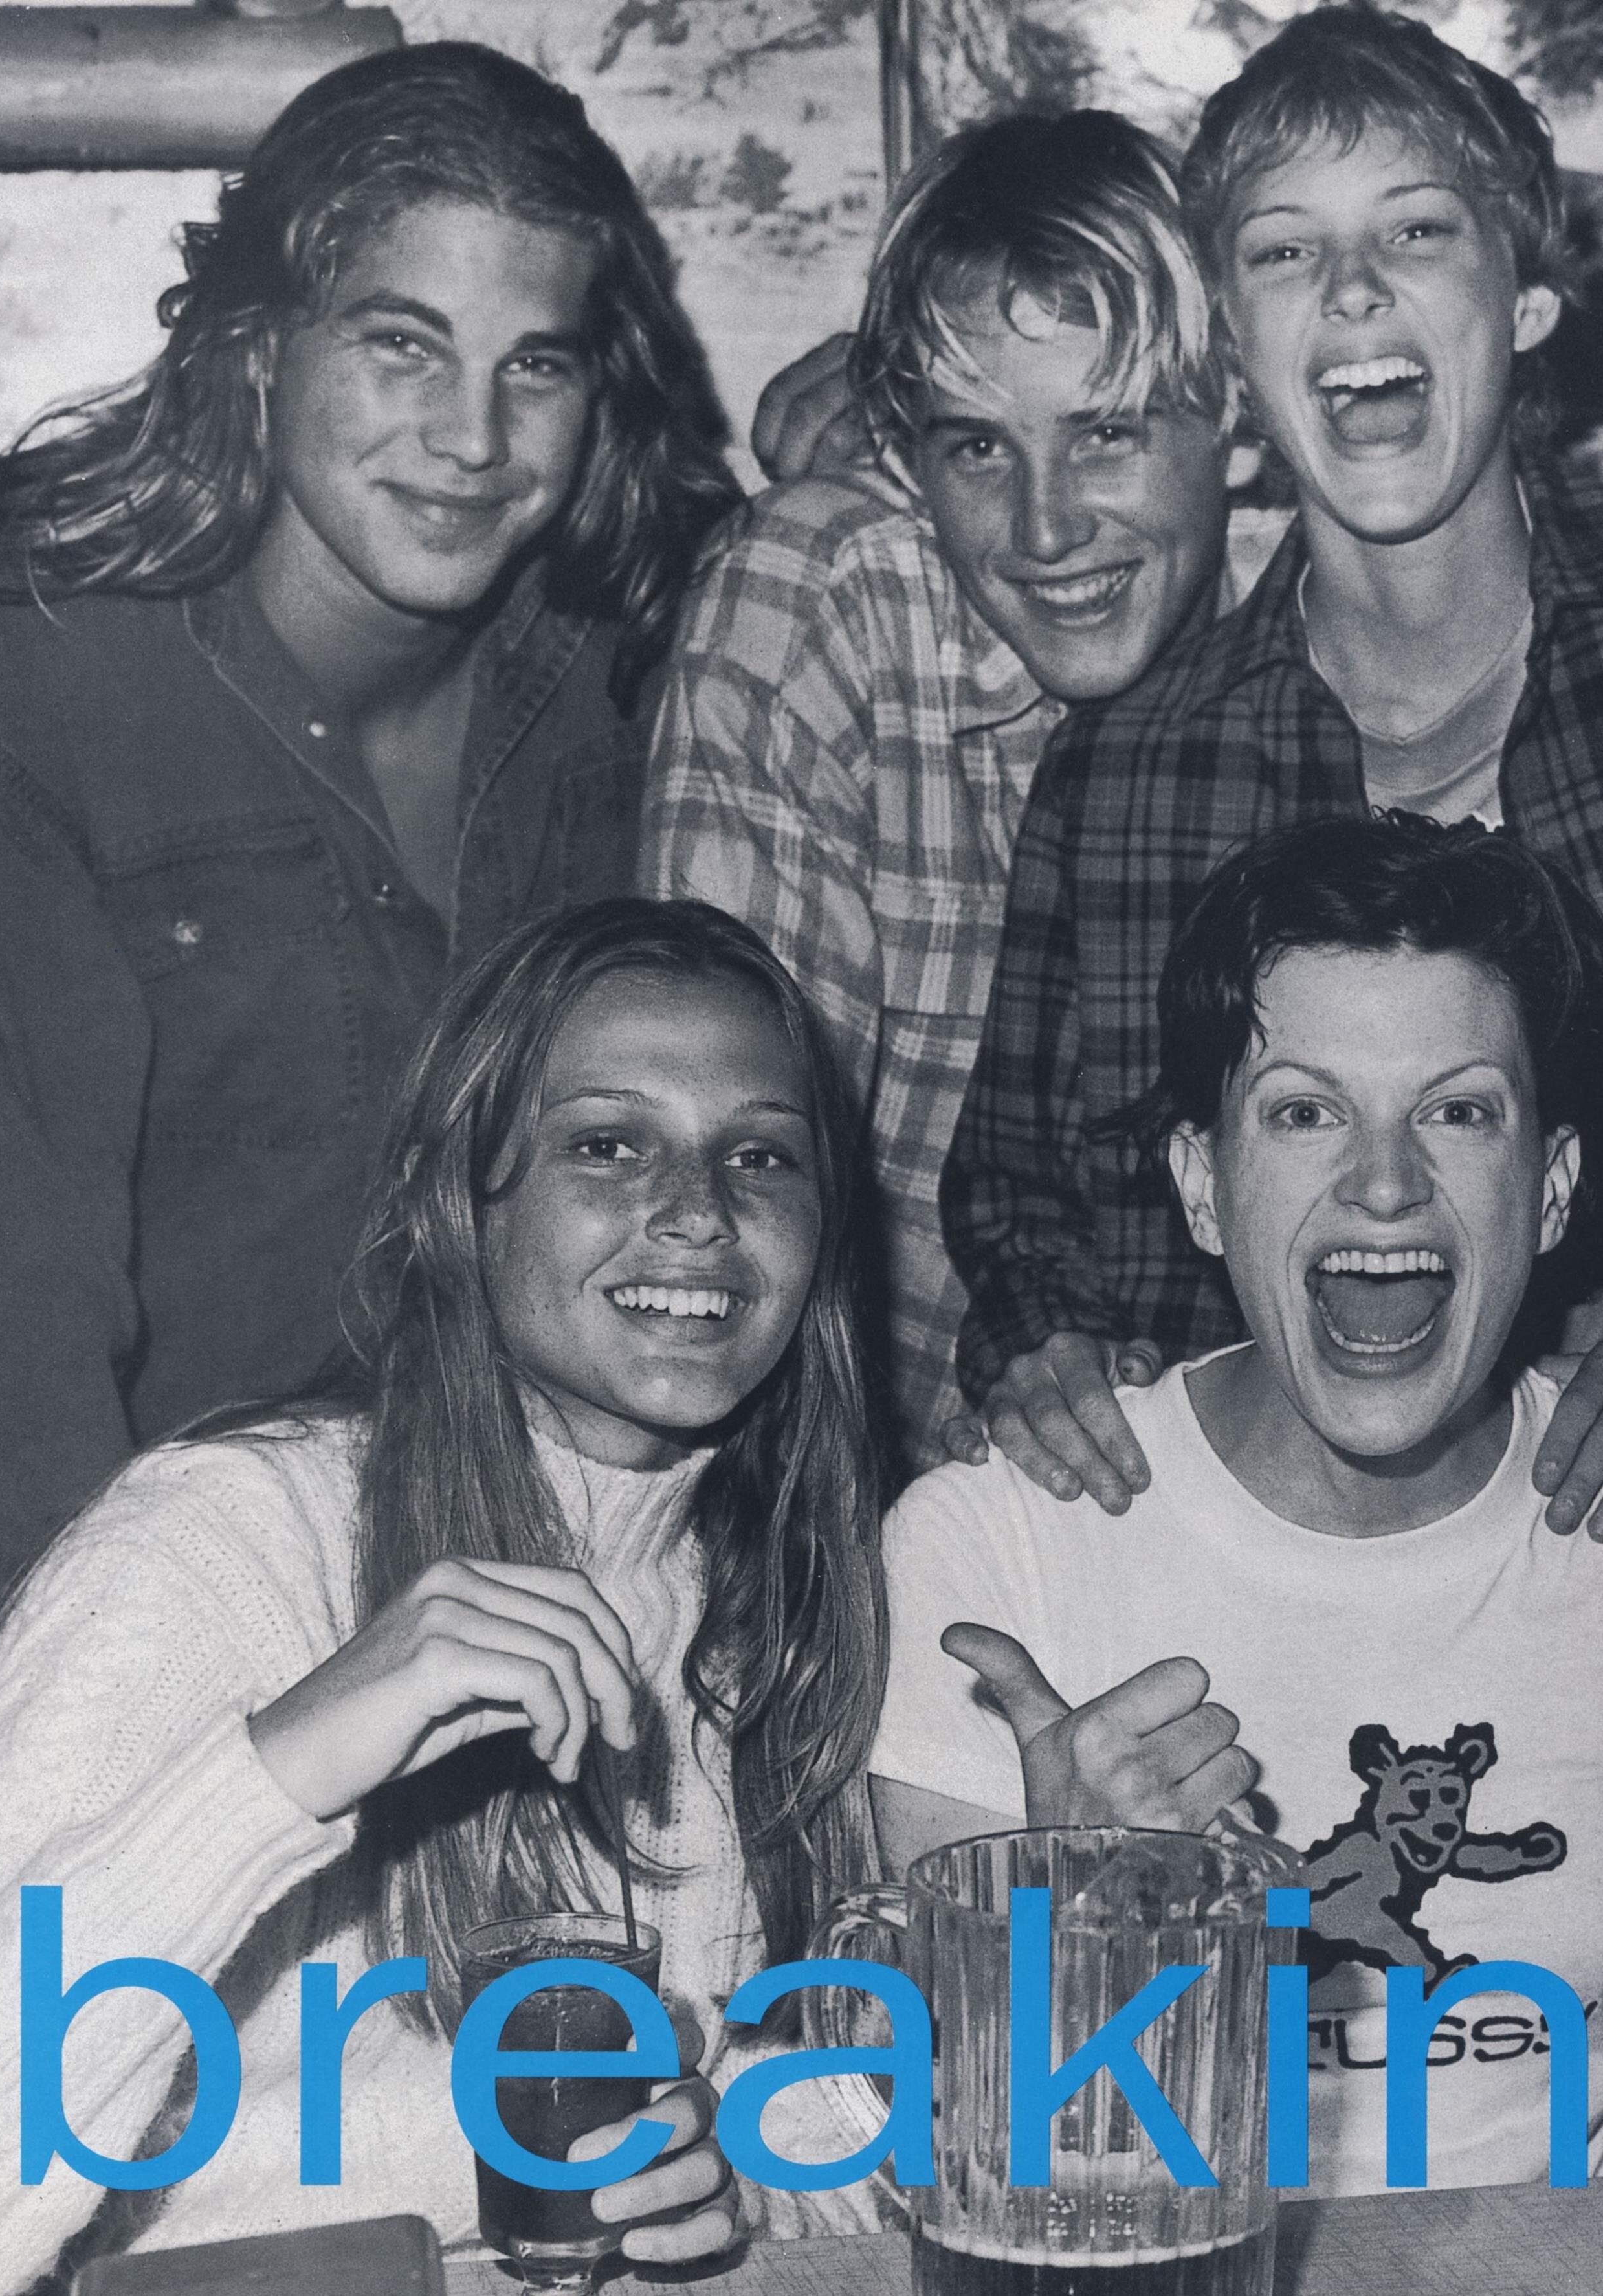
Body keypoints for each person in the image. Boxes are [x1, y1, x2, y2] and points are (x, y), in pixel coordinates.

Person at [0, 42, 740, 1750]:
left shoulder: (611, 653)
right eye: (401, 344)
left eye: (534, 364)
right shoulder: (18, 667)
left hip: (500, 1637)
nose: (471, 438)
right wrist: (66, 1808)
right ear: (255, 346)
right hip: (115, 1665)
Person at [0, 898, 889, 2293]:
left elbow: (795, 2112)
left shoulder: (777, 1597)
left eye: (760, 1155)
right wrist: (284, 1765)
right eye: (607, 1144)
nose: (697, 1210)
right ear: (460, 1200)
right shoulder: (227, 1542)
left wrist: (729, 2172)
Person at [941, 5, 1603, 1532]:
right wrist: (1044, 1347)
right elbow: (1017, 1194)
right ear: (1232, 360)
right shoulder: (1123, 769)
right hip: (1233, 1573)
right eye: (1286, 249)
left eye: (1417, 230)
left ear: (1525, 304)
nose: (1354, 287)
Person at [877, 814, 1603, 2193]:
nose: (1383, 1182)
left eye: (1457, 1111)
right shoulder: (994, 1551)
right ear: (1202, 1186)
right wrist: (1062, 1925)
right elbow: (940, 2161)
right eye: (1303, 1111)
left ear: (1552, 1190)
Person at [640, 110, 1248, 1465]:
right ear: (906, 449)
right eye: (977, 447)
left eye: (1107, 432)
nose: (1045, 528)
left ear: (1238, 416)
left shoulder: (1322, 626)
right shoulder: (827, 597)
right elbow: (715, 1192)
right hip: (874, 1490)